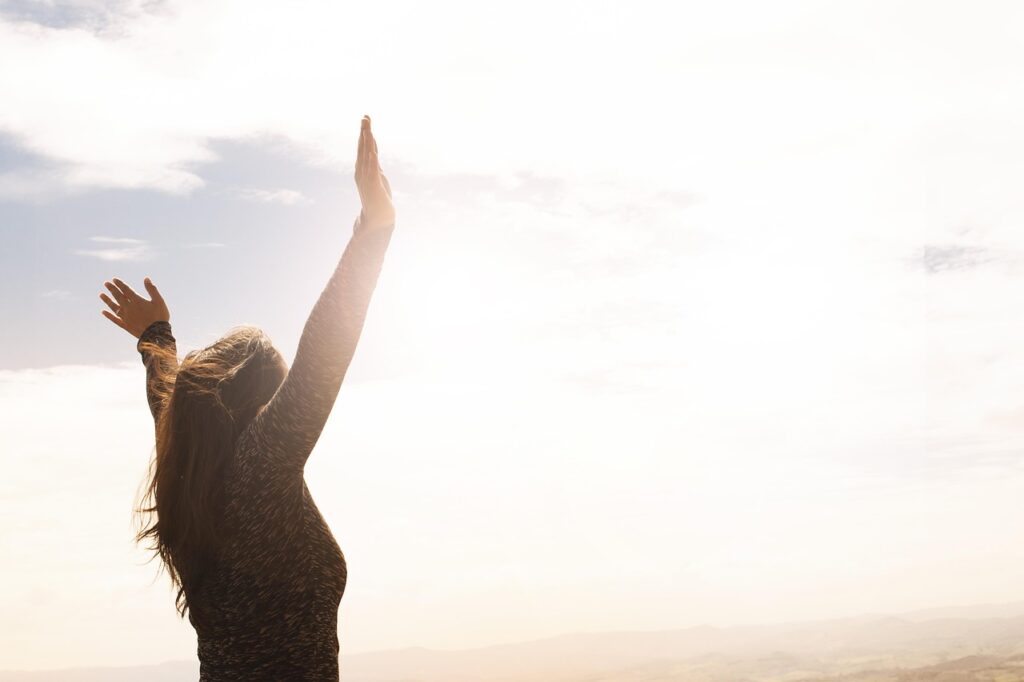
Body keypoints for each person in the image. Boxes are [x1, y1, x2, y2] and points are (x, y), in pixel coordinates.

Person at [98, 115, 396, 681]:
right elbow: (323, 355)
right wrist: (373, 229)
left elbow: (168, 402)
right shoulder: (260, 469)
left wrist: (156, 338)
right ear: (261, 402)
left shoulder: (188, 473)